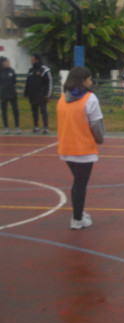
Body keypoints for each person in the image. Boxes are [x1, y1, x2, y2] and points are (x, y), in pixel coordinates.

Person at [57, 66, 105, 230]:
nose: (91, 82)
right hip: (83, 149)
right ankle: (77, 219)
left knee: (78, 182)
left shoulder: (63, 98)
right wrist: (99, 138)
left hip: (66, 147)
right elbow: (96, 124)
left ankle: (78, 213)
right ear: (83, 81)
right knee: (80, 184)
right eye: (89, 79)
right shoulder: (90, 99)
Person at [24, 53, 52, 134]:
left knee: (43, 110)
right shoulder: (31, 70)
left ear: (37, 60)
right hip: (33, 95)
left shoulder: (44, 70)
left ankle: (45, 127)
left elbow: (49, 82)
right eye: (31, 60)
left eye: (33, 59)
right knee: (34, 110)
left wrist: (48, 94)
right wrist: (26, 93)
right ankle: (36, 126)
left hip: (42, 95)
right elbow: (28, 82)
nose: (31, 61)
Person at [0, 57, 20, 135]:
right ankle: (6, 127)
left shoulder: (11, 70)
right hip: (3, 94)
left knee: (15, 110)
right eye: (6, 62)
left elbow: (15, 80)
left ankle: (17, 127)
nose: (8, 63)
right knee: (4, 111)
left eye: (8, 62)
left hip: (12, 93)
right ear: (2, 63)